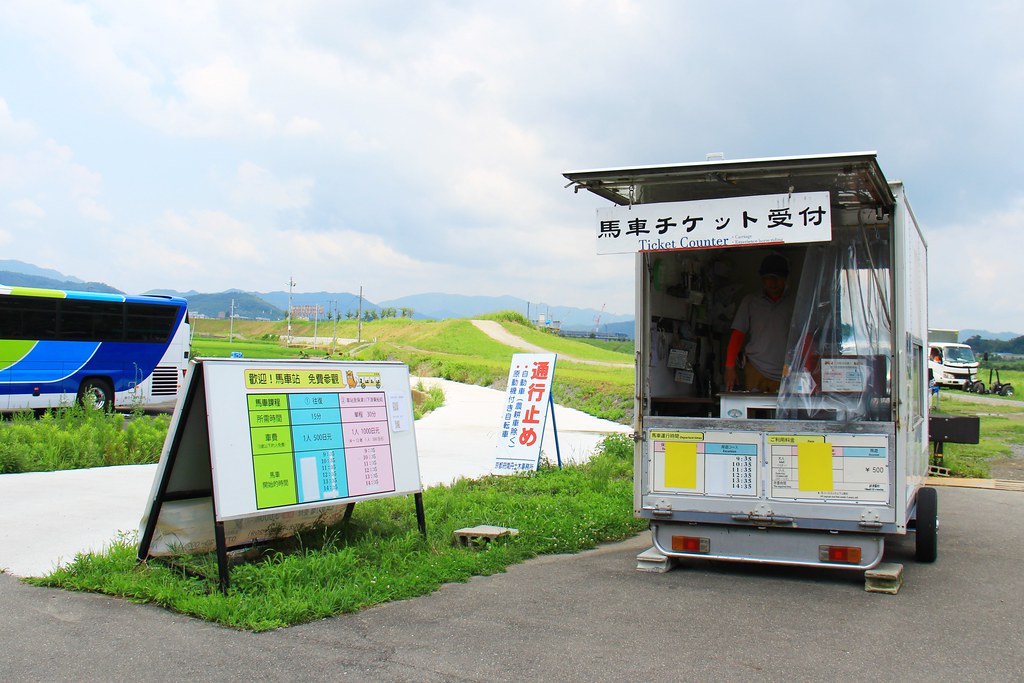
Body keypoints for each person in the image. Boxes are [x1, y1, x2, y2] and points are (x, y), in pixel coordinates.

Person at [724, 253, 794, 393]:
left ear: (785, 279)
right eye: (768, 278)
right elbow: (738, 334)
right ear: (762, 280)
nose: (772, 283)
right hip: (755, 368)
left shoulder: (795, 303)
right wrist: (729, 367)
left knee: (783, 413)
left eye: (777, 278)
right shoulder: (750, 302)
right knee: (752, 410)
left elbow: (806, 337)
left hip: (787, 371)